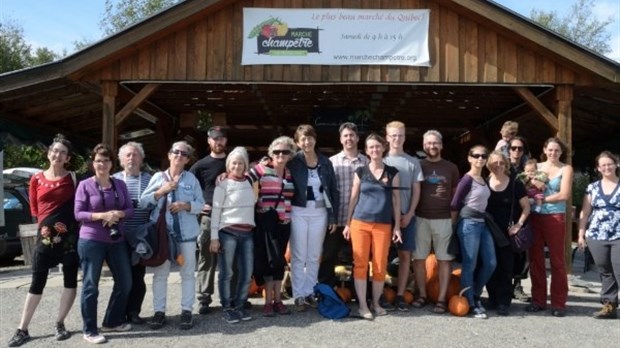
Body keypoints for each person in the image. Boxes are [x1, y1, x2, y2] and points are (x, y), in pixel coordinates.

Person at [8, 134, 79, 347]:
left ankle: (60, 323)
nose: (58, 155)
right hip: (45, 238)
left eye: (62, 153)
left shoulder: (73, 179)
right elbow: (35, 211)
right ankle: (22, 328)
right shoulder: (36, 179)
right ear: (49, 153)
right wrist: (46, 228)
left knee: (70, 280)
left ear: (67, 158)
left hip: (69, 239)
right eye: (54, 151)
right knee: (36, 282)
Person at [140, 141, 205, 330]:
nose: (179, 156)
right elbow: (144, 203)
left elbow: (202, 205)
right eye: (176, 152)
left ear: (187, 159)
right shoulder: (158, 177)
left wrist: (186, 206)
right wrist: (162, 191)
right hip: (163, 237)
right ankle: (159, 312)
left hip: (186, 237)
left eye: (184, 154)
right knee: (160, 275)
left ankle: (186, 311)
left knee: (187, 274)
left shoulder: (191, 180)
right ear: (169, 155)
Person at [74, 143, 134, 344]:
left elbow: (130, 209)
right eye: (99, 160)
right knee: (91, 285)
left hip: (116, 240)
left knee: (125, 282)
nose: (102, 164)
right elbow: (78, 213)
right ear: (93, 163)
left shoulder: (120, 185)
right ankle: (90, 329)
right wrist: (102, 215)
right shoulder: (85, 185)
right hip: (91, 240)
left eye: (106, 160)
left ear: (112, 163)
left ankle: (112, 321)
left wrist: (119, 214)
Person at [343, 133, 402, 320]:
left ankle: (375, 303)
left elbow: (396, 201)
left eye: (377, 146)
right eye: (371, 147)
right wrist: (347, 222)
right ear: (366, 151)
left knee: (379, 266)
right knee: (360, 264)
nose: (374, 150)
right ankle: (362, 305)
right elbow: (353, 197)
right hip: (360, 223)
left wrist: (397, 227)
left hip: (383, 225)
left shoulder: (393, 173)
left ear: (383, 148)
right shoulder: (360, 171)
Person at [287, 124, 339, 311]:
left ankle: (310, 292)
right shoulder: (293, 161)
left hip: (320, 213)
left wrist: (333, 217)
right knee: (299, 254)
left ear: (315, 139)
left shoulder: (325, 162)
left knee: (315, 255)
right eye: (303, 139)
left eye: (309, 138)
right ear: (297, 142)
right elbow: (273, 166)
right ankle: (299, 294)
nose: (307, 142)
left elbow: (333, 190)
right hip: (299, 211)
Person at [412, 130, 460, 314]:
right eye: (428, 143)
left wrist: (454, 218)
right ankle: (423, 295)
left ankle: (441, 299)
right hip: (420, 218)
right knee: (419, 259)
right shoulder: (417, 166)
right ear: (424, 145)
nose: (432, 146)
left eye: (435, 143)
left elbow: (456, 194)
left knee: (444, 260)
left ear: (441, 145)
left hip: (444, 219)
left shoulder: (451, 168)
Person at [248, 136, 296, 317]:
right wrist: (225, 175)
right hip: (267, 223)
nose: (280, 155)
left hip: (285, 223)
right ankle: (268, 302)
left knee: (279, 262)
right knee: (270, 261)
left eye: (284, 152)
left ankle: (278, 300)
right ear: (271, 154)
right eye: (276, 152)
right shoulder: (261, 169)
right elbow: (241, 179)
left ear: (290, 154)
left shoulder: (290, 173)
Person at [526, 137, 573, 317]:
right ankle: (538, 300)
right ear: (544, 150)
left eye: (557, 151)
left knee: (557, 260)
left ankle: (558, 303)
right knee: (535, 258)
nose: (553, 153)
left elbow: (564, 194)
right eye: (550, 150)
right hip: (535, 216)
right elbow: (525, 185)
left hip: (555, 216)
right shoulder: (536, 167)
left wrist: (541, 198)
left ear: (561, 152)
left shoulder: (565, 169)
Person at [209, 147, 256, 324]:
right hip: (227, 232)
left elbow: (263, 165)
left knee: (247, 272)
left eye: (241, 163)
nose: (237, 166)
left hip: (247, 233)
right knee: (227, 272)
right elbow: (216, 211)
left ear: (245, 165)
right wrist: (214, 237)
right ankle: (227, 307)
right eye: (234, 163)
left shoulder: (250, 182)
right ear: (229, 165)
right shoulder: (223, 184)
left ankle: (240, 304)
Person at [319, 123, 369, 287]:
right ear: (341, 139)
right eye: (346, 136)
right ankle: (327, 292)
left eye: (352, 135)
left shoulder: (367, 162)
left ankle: (359, 293)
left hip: (360, 218)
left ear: (357, 138)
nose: (349, 138)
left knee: (360, 258)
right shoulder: (332, 162)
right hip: (337, 218)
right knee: (329, 256)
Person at [450, 145, 497, 319]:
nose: (480, 159)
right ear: (469, 158)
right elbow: (455, 203)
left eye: (483, 156)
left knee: (491, 262)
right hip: (469, 224)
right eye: (476, 155)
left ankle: (475, 295)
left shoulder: (484, 179)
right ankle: (469, 303)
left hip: (483, 223)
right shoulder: (467, 179)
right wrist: (454, 225)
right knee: (470, 265)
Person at [383, 121, 423, 311]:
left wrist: (410, 213)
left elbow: (417, 190)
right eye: (393, 135)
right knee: (381, 256)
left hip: (407, 215)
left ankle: (400, 295)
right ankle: (380, 293)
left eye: (400, 135)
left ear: (404, 137)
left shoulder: (412, 162)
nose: (396, 139)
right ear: (387, 137)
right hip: (383, 216)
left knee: (405, 255)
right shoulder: (380, 160)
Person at [485, 151, 530, 316]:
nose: (498, 166)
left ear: (506, 164)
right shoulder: (484, 183)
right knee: (490, 265)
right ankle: (493, 298)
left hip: (507, 231)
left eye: (501, 163)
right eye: (494, 163)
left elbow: (526, 207)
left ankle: (504, 301)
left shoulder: (515, 184)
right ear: (489, 165)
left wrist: (519, 224)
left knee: (505, 267)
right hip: (488, 231)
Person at [112, 142, 152, 325]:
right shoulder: (113, 179)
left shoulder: (150, 179)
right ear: (120, 160)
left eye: (135, 155)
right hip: (118, 236)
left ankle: (134, 311)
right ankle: (119, 313)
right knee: (121, 278)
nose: (131, 158)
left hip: (140, 237)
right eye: (127, 155)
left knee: (138, 277)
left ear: (142, 159)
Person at [578, 151, 620, 319]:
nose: (607, 167)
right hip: (596, 234)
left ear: (616, 165)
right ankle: (609, 305)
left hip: (618, 234)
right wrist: (581, 234)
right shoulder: (592, 188)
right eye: (603, 165)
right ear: (598, 168)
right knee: (605, 270)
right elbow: (585, 212)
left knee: (619, 269)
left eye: (609, 164)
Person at [190, 126, 227, 315]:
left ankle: (232, 297)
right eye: (215, 139)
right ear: (209, 141)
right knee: (207, 258)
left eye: (221, 139)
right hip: (209, 215)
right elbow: (186, 186)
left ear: (226, 141)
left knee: (232, 259)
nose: (218, 142)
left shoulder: (234, 162)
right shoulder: (200, 165)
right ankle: (204, 298)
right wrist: (197, 205)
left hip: (231, 216)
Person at [507, 136, 531, 301]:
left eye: (520, 148)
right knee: (504, 252)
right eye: (513, 148)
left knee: (521, 252)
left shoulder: (529, 169)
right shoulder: (502, 166)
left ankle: (517, 286)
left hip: (522, 213)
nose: (516, 151)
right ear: (508, 150)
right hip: (504, 212)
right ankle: (504, 285)